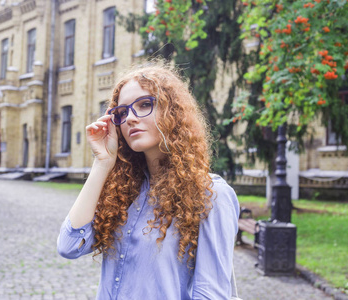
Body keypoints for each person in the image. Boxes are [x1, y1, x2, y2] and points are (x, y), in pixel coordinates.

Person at [57, 62, 239, 300]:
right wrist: (102, 162)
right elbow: (69, 246)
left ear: (172, 112)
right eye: (122, 112)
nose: (130, 118)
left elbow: (211, 294)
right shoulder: (123, 191)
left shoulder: (209, 194)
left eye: (144, 105)